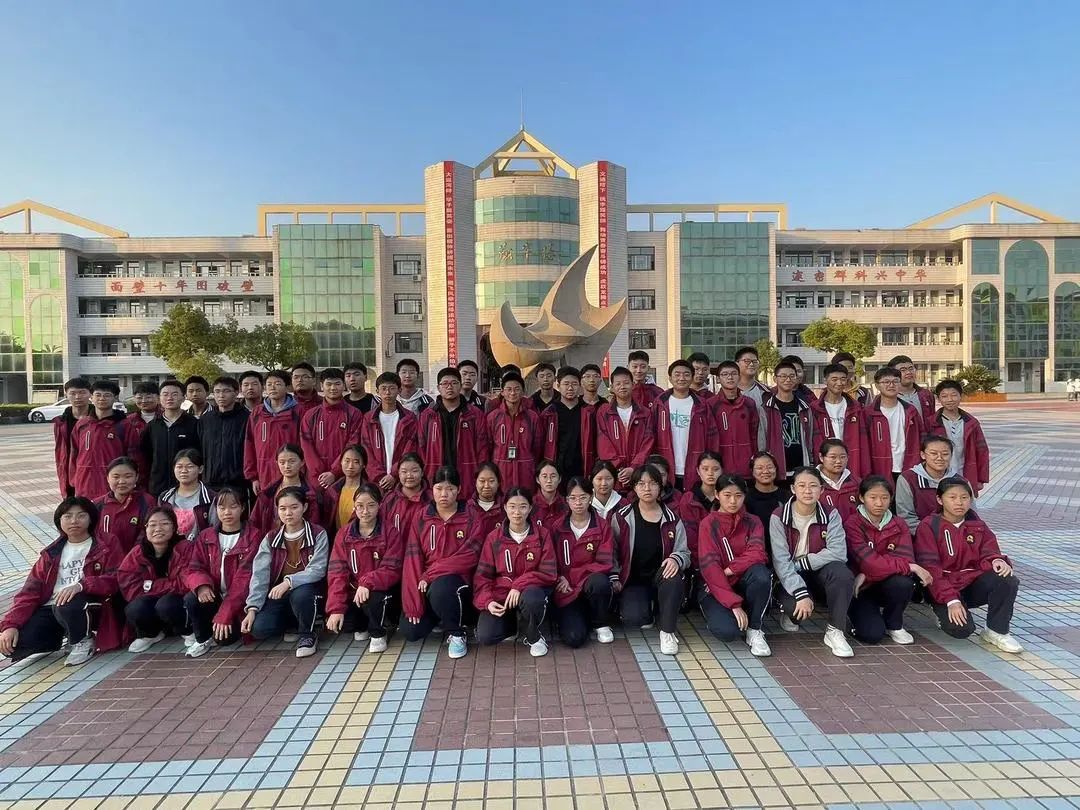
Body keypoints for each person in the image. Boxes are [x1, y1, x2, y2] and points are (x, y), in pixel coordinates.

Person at [0, 497, 123, 665]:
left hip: (89, 603)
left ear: (91, 519)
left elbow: (116, 578)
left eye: (81, 515)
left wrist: (81, 585)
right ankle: (64, 635)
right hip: (53, 608)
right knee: (13, 644)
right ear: (59, 521)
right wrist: (10, 625)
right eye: (67, 516)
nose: (74, 521)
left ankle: (83, 640)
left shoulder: (106, 543)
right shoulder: (52, 553)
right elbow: (29, 592)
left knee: (66, 604)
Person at [914, 477, 1023, 652]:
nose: (959, 502)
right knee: (961, 630)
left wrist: (996, 560)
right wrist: (951, 600)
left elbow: (989, 551)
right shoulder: (929, 526)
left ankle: (996, 631)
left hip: (970, 583)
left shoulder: (977, 524)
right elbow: (931, 569)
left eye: (964, 497)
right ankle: (939, 609)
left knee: (1007, 579)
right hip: (942, 587)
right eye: (953, 497)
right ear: (940, 499)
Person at [769, 467, 855, 658]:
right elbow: (781, 561)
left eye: (813, 486)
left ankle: (835, 631)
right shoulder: (779, 516)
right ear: (793, 489)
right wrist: (800, 593)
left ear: (822, 490)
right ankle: (791, 613)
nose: (807, 491)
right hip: (791, 573)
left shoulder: (830, 513)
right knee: (794, 608)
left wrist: (804, 562)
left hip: (818, 571)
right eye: (801, 486)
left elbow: (839, 552)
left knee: (842, 573)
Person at [399, 466, 482, 658]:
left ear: (459, 490)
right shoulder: (422, 516)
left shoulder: (471, 515)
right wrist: (413, 604)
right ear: (432, 490)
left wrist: (431, 573)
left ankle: (457, 633)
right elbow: (413, 559)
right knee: (411, 630)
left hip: (460, 582)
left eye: (450, 489)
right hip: (427, 583)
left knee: (442, 588)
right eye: (439, 488)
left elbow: (470, 556)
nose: (444, 494)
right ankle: (441, 616)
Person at [241, 486, 330, 658]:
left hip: (310, 591)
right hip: (280, 594)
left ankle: (307, 634)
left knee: (301, 595)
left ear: (304, 507)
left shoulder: (318, 533)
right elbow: (260, 575)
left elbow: (318, 570)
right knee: (259, 628)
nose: (288, 513)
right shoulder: (271, 538)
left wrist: (289, 582)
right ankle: (293, 623)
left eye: (294, 507)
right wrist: (252, 608)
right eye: (282, 508)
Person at [610, 465, 690, 655]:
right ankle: (653, 608)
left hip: (661, 576)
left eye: (653, 483)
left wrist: (676, 559)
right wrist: (614, 576)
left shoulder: (672, 519)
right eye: (641, 484)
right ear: (634, 487)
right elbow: (611, 551)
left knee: (673, 576)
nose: (647, 488)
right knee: (634, 618)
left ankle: (667, 632)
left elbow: (684, 552)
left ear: (660, 487)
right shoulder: (621, 517)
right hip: (633, 580)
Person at [845, 475, 929, 645]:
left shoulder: (899, 524)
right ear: (862, 498)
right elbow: (868, 563)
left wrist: (867, 574)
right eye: (873, 497)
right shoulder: (852, 523)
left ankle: (894, 623)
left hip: (881, 583)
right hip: (859, 589)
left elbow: (905, 557)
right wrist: (910, 566)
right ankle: (858, 619)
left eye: (884, 497)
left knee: (904, 582)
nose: (879, 503)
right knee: (872, 635)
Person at [474, 488, 557, 656]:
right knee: (486, 636)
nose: (517, 512)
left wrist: (518, 585)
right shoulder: (494, 538)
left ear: (530, 508)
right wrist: (487, 601)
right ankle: (517, 624)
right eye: (512, 506)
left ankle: (534, 636)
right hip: (502, 595)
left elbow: (549, 572)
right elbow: (483, 576)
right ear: (505, 507)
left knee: (532, 598)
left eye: (523, 507)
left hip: (531, 592)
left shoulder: (542, 535)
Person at [696, 474, 772, 656]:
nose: (732, 501)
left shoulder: (753, 521)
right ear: (717, 494)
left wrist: (730, 569)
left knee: (761, 574)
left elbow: (758, 553)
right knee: (727, 632)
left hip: (742, 581)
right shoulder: (708, 524)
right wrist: (734, 604)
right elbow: (710, 566)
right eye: (727, 495)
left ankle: (755, 629)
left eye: (738, 496)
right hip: (717, 587)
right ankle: (729, 612)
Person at [183, 486, 263, 658]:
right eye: (222, 507)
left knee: (225, 640)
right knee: (192, 598)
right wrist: (201, 585)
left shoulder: (253, 536)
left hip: (240, 603)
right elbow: (194, 567)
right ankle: (202, 638)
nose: (227, 512)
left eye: (233, 507)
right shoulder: (206, 536)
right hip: (215, 595)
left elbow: (244, 580)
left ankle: (220, 628)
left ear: (242, 508)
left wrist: (225, 613)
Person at [327, 483, 402, 654]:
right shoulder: (344, 534)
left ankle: (378, 633)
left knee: (374, 599)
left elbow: (392, 569)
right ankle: (362, 625)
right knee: (345, 624)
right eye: (360, 506)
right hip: (355, 591)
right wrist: (336, 608)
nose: (365, 511)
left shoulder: (390, 532)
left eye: (371, 505)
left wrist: (367, 582)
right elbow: (337, 572)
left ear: (379, 505)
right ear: (354, 506)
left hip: (382, 590)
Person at [118, 506, 194, 652]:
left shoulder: (185, 548)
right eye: (152, 525)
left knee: (166, 604)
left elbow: (186, 582)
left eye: (165, 524)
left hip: (177, 599)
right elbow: (129, 586)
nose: (158, 529)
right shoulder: (137, 553)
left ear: (174, 527)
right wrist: (167, 585)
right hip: (152, 600)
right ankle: (150, 634)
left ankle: (188, 630)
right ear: (145, 529)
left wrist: (151, 586)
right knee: (135, 608)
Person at [551, 477, 615, 647]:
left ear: (591, 497)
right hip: (566, 591)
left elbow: (604, 562)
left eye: (583, 497)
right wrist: (558, 578)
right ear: (566, 500)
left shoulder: (602, 526)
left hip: (589, 585)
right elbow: (549, 560)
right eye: (573, 498)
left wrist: (571, 577)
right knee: (574, 638)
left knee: (599, 581)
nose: (578, 502)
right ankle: (580, 618)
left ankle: (600, 623)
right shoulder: (557, 527)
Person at [418, 367, 491, 499]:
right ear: (438, 388)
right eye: (445, 384)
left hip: (467, 474)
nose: (449, 387)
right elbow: (421, 446)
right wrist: (426, 471)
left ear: (460, 385)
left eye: (454, 383)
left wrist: (479, 474)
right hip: (436, 474)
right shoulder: (428, 415)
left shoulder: (474, 414)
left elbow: (482, 448)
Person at [653, 359, 717, 492]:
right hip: (666, 467)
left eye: (686, 374)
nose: (681, 378)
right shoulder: (660, 403)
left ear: (692, 377)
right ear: (670, 378)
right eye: (677, 374)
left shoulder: (702, 405)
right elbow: (651, 435)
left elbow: (712, 437)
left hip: (695, 467)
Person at [301, 368, 364, 491]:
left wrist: (334, 472)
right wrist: (319, 472)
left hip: (344, 475)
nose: (333, 388)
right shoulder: (311, 415)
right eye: (328, 384)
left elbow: (353, 444)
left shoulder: (354, 414)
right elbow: (306, 445)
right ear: (321, 386)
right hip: (316, 478)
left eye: (337, 384)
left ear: (344, 385)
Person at [595, 366, 655, 493]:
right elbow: (603, 443)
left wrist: (633, 468)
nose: (622, 387)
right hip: (614, 474)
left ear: (633, 385)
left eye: (626, 383)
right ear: (612, 387)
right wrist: (620, 468)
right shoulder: (604, 412)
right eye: (618, 384)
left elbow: (648, 442)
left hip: (639, 473)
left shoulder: (645, 413)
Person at [244, 369, 302, 496]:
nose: (272, 387)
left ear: (287, 387)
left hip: (291, 473)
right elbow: (249, 445)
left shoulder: (299, 412)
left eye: (277, 384)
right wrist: (253, 477)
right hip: (264, 473)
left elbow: (304, 446)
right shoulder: (257, 413)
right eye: (269, 384)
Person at [927, 379, 990, 494]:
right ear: (938, 399)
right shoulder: (931, 423)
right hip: (938, 476)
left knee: (964, 503)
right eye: (944, 396)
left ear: (961, 396)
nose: (950, 399)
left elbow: (982, 451)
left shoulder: (971, 423)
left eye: (954, 395)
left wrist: (981, 478)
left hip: (965, 474)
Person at [141, 379, 201, 497]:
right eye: (165, 394)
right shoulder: (152, 426)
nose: (169, 398)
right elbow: (146, 455)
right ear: (159, 398)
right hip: (158, 485)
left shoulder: (194, 424)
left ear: (183, 398)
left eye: (174, 394)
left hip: (186, 484)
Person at [486, 371, 543, 495]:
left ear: (523, 392)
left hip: (525, 470)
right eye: (509, 389)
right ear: (502, 392)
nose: (513, 393)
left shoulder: (532, 417)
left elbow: (537, 447)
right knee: (503, 501)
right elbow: (488, 446)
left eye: (517, 389)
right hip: (501, 469)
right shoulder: (493, 417)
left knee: (525, 500)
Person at [69, 379, 127, 500]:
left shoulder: (124, 425)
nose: (102, 398)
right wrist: (74, 479)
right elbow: (74, 454)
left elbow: (133, 456)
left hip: (112, 484)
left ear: (115, 398)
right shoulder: (82, 424)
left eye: (107, 395)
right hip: (84, 483)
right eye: (98, 395)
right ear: (91, 397)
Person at [809, 363, 869, 478]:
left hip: (851, 458)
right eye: (834, 379)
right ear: (825, 380)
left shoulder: (856, 408)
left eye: (843, 379)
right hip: (827, 460)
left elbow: (863, 439)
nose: (839, 383)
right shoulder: (814, 408)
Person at [362, 372, 419, 494]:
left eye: (392, 388)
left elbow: (410, 448)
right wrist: (379, 476)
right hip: (377, 480)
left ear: (399, 390)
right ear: (377, 391)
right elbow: (366, 449)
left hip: (401, 478)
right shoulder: (368, 418)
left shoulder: (409, 418)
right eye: (383, 388)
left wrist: (394, 474)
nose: (387, 393)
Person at [250, 444, 326, 534]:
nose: (287, 466)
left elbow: (315, 525)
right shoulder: (268, 493)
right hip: (272, 538)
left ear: (302, 462)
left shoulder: (311, 495)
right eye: (282, 462)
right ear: (277, 463)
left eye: (292, 461)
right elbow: (254, 522)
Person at [539, 366, 596, 483]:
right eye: (566, 384)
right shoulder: (549, 413)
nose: (570, 388)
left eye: (574, 384)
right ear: (558, 385)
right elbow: (540, 444)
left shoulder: (589, 412)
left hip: (582, 468)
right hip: (556, 470)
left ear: (580, 386)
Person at [864, 367, 921, 479]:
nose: (891, 385)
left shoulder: (910, 411)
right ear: (877, 385)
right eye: (886, 382)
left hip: (908, 465)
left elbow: (920, 437)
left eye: (895, 381)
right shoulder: (868, 413)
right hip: (879, 466)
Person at [762, 361, 814, 482]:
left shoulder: (805, 407)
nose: (788, 380)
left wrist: (811, 461)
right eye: (783, 376)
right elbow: (762, 439)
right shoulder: (766, 408)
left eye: (791, 376)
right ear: (775, 379)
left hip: (801, 468)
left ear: (796, 379)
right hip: (776, 469)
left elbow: (810, 437)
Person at [94, 457, 157, 554]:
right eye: (116, 477)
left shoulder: (146, 501)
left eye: (128, 476)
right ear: (107, 478)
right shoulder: (97, 504)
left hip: (137, 557)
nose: (122, 481)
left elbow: (147, 534)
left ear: (136, 477)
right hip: (104, 559)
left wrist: (132, 557)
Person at [709, 360, 760, 479]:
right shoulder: (711, 404)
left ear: (739, 377)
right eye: (725, 374)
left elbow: (754, 434)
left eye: (733, 374)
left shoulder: (749, 403)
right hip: (721, 466)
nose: (730, 377)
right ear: (718, 379)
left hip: (745, 466)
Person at [199, 376, 249, 492]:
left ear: (236, 393)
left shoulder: (247, 418)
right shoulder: (206, 419)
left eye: (226, 391)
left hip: (238, 481)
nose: (221, 395)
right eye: (217, 391)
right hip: (210, 481)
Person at [896, 436, 954, 533]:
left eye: (945, 454)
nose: (939, 458)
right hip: (920, 535)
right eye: (933, 453)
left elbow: (970, 515)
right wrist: (931, 534)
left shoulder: (959, 481)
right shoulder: (908, 479)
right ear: (923, 455)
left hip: (954, 535)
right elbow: (906, 517)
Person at [676, 452, 723, 570]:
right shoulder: (689, 499)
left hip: (725, 557)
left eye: (715, 469)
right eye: (705, 469)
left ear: (722, 470)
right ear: (698, 471)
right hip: (699, 559)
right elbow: (690, 537)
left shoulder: (727, 497)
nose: (710, 473)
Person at [158, 448, 217, 542]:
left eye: (189, 466)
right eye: (179, 467)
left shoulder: (211, 498)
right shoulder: (164, 498)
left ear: (200, 469)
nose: (184, 471)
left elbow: (215, 529)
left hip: (200, 548)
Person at [54, 377, 92, 498]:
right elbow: (60, 450)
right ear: (66, 394)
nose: (77, 397)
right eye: (73, 393)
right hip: (68, 470)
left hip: (91, 472)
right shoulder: (61, 422)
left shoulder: (99, 420)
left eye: (82, 392)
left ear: (90, 394)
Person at [382, 452, 430, 540]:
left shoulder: (431, 499)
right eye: (404, 471)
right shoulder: (389, 500)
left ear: (422, 472)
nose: (409, 475)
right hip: (395, 547)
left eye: (414, 471)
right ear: (398, 474)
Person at [124, 380, 160, 491]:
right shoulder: (128, 421)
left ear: (158, 397)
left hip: (161, 472)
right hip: (136, 473)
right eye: (139, 397)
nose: (144, 401)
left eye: (148, 397)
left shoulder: (165, 418)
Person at [744, 451, 791, 530]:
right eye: (760, 468)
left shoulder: (787, 495)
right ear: (752, 471)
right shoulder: (746, 498)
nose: (765, 471)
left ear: (776, 469)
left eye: (769, 467)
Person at [817, 439, 861, 522]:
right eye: (833, 457)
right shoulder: (812, 482)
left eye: (843, 457)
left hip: (852, 529)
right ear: (821, 457)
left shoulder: (856, 483)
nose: (838, 461)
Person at [735, 346, 770, 448]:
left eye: (754, 361)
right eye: (747, 361)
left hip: (761, 449)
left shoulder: (766, 393)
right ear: (737, 364)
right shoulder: (727, 393)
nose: (751, 364)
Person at [889, 354, 936, 426]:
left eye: (911, 368)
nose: (908, 372)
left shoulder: (926, 395)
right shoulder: (886, 398)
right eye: (903, 370)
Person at [329, 445, 367, 534]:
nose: (350, 466)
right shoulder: (332, 491)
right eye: (347, 461)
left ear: (364, 465)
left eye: (356, 462)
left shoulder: (368, 492)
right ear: (341, 462)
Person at [467, 462, 505, 540]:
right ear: (475, 482)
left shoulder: (505, 508)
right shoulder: (467, 508)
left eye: (491, 481)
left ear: (498, 483)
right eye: (482, 481)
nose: (486, 486)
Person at [532, 460, 569, 529]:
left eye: (553, 476)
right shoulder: (530, 505)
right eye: (544, 476)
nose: (549, 480)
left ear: (559, 479)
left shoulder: (567, 505)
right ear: (537, 479)